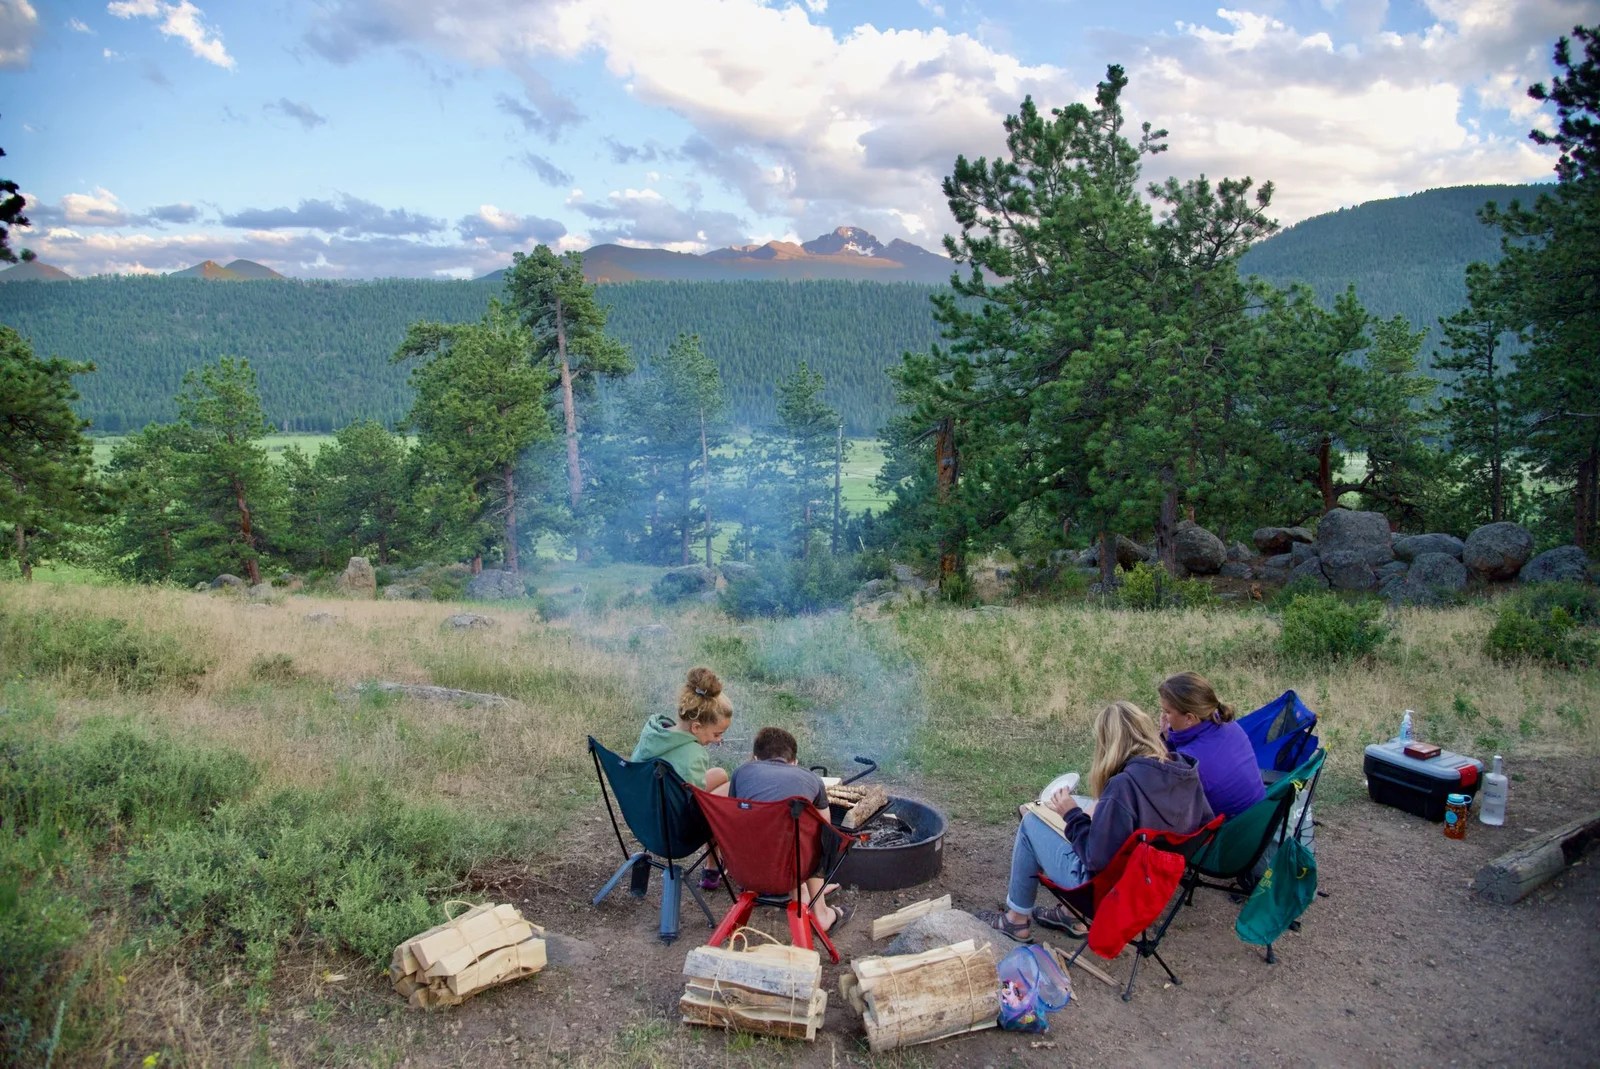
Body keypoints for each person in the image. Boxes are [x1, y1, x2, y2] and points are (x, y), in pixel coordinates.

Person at [978, 700, 1214, 942]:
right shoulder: (1182, 769)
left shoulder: (1124, 787)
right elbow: (1205, 823)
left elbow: (1094, 858)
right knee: (1085, 803)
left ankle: (1016, 921)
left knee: (1031, 822)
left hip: (1104, 890)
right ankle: (1069, 915)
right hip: (1151, 882)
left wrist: (1071, 814)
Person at [728, 726, 850, 934]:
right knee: (819, 837)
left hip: (745, 869)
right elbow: (825, 826)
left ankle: (807, 893)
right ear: (794, 761)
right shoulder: (811, 778)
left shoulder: (741, 772)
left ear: (755, 758)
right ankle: (820, 912)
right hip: (790, 871)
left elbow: (735, 815)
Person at [632, 666, 734, 891]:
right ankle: (712, 868)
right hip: (673, 832)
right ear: (696, 727)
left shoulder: (654, 731)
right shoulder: (693, 755)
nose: (718, 741)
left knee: (720, 774)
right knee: (729, 791)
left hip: (644, 816)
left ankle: (714, 863)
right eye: (717, 734)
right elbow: (696, 805)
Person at [1158, 671, 1266, 819]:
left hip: (1230, 834)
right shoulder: (1228, 724)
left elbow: (1169, 806)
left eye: (1167, 711)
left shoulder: (1189, 761)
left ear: (1189, 718)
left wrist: (1164, 743)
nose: (1164, 717)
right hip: (1259, 818)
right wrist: (1168, 737)